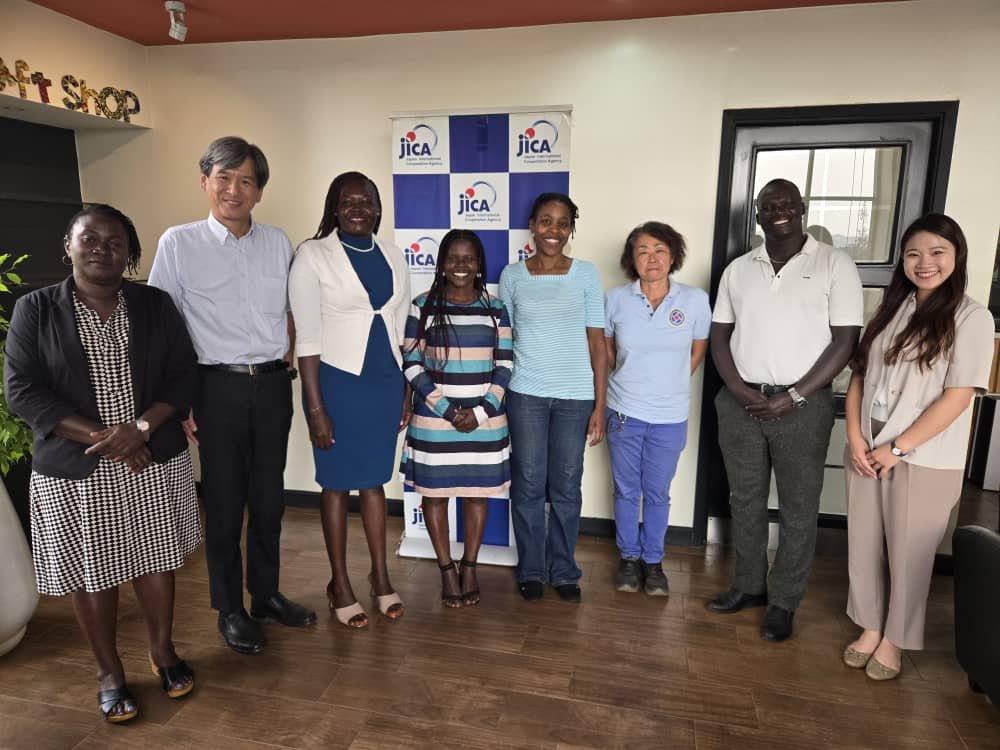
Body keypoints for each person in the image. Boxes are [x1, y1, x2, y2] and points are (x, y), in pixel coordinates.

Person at [4, 204, 200, 723]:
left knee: (157, 560)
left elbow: (183, 375)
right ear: (67, 246)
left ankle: (163, 652)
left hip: (150, 459)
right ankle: (109, 673)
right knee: (93, 572)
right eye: (89, 238)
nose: (101, 249)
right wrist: (107, 439)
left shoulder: (154, 304)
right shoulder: (35, 309)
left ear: (129, 253)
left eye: (115, 242)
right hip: (77, 468)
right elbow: (22, 391)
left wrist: (139, 430)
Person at [148, 136, 315, 656]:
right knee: (223, 505)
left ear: (259, 191)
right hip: (213, 388)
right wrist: (181, 401)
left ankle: (264, 595)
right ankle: (230, 609)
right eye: (223, 178)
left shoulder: (278, 242)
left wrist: (287, 359)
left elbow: (290, 312)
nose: (234, 190)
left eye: (246, 181)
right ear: (205, 181)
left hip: (271, 386)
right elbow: (163, 328)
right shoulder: (179, 243)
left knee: (269, 501)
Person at [707, 178, 863, 641]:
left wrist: (793, 395)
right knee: (745, 500)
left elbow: (845, 342)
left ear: (802, 208)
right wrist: (737, 388)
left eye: (787, 203)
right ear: (758, 214)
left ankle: (784, 601)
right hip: (742, 403)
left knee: (798, 507)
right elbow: (719, 336)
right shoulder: (739, 269)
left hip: (804, 406)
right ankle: (749, 585)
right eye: (768, 205)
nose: (778, 211)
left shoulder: (835, 263)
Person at [842, 214, 994, 680]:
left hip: (923, 452)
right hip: (868, 443)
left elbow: (959, 396)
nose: (925, 263)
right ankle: (870, 625)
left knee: (910, 551)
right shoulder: (891, 309)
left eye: (937, 252)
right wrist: (854, 436)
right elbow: (859, 375)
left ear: (956, 257)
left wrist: (897, 449)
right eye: (914, 254)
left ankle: (896, 638)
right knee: (863, 541)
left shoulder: (971, 317)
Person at [289, 171, 411, 628]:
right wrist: (315, 409)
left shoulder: (394, 255)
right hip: (337, 385)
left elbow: (402, 329)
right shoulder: (313, 255)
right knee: (337, 483)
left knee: (375, 482)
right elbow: (306, 340)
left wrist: (406, 391)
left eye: (366, 201)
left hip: (385, 383)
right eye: (348, 201)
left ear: (378, 208)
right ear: (334, 208)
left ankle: (380, 577)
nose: (358, 208)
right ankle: (339, 583)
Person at [499, 192, 607, 603]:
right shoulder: (512, 276)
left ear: (571, 229)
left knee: (565, 485)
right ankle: (531, 569)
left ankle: (563, 570)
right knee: (528, 483)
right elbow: (505, 338)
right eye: (546, 221)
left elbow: (597, 344)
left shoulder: (586, 274)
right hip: (525, 394)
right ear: (532, 224)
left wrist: (600, 406)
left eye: (563, 223)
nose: (554, 231)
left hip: (575, 398)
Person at [401, 229, 513, 607]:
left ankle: (470, 567)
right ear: (442, 263)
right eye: (453, 258)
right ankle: (447, 570)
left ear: (479, 264)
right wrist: (447, 411)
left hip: (485, 422)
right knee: (435, 497)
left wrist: (480, 412)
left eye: (468, 258)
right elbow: (412, 363)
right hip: (435, 423)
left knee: (476, 496)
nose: (460, 265)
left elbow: (505, 365)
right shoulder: (423, 306)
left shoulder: (496, 309)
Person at [605, 222, 710, 596]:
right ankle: (629, 558)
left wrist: (668, 383)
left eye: (660, 250)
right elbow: (607, 350)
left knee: (657, 492)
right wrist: (632, 378)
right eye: (643, 251)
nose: (652, 258)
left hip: (670, 416)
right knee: (626, 490)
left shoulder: (694, 300)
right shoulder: (615, 299)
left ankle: (653, 561)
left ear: (673, 256)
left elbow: (696, 353)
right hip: (623, 411)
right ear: (631, 259)